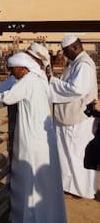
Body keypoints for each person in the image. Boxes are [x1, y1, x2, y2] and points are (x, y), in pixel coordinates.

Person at [0, 52, 66, 223]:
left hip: (31, 138)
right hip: (41, 137)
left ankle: (27, 217)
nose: (12, 74)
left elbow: (7, 98)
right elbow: (7, 87)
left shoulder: (28, 82)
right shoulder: (37, 79)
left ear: (22, 68)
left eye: (13, 70)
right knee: (41, 180)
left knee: (27, 178)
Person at [49, 35, 98, 199]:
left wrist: (53, 82)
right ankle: (69, 187)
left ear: (74, 47)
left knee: (77, 155)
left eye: (65, 51)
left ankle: (81, 190)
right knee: (66, 154)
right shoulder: (75, 63)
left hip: (79, 118)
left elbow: (77, 89)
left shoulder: (83, 65)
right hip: (68, 116)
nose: (64, 55)